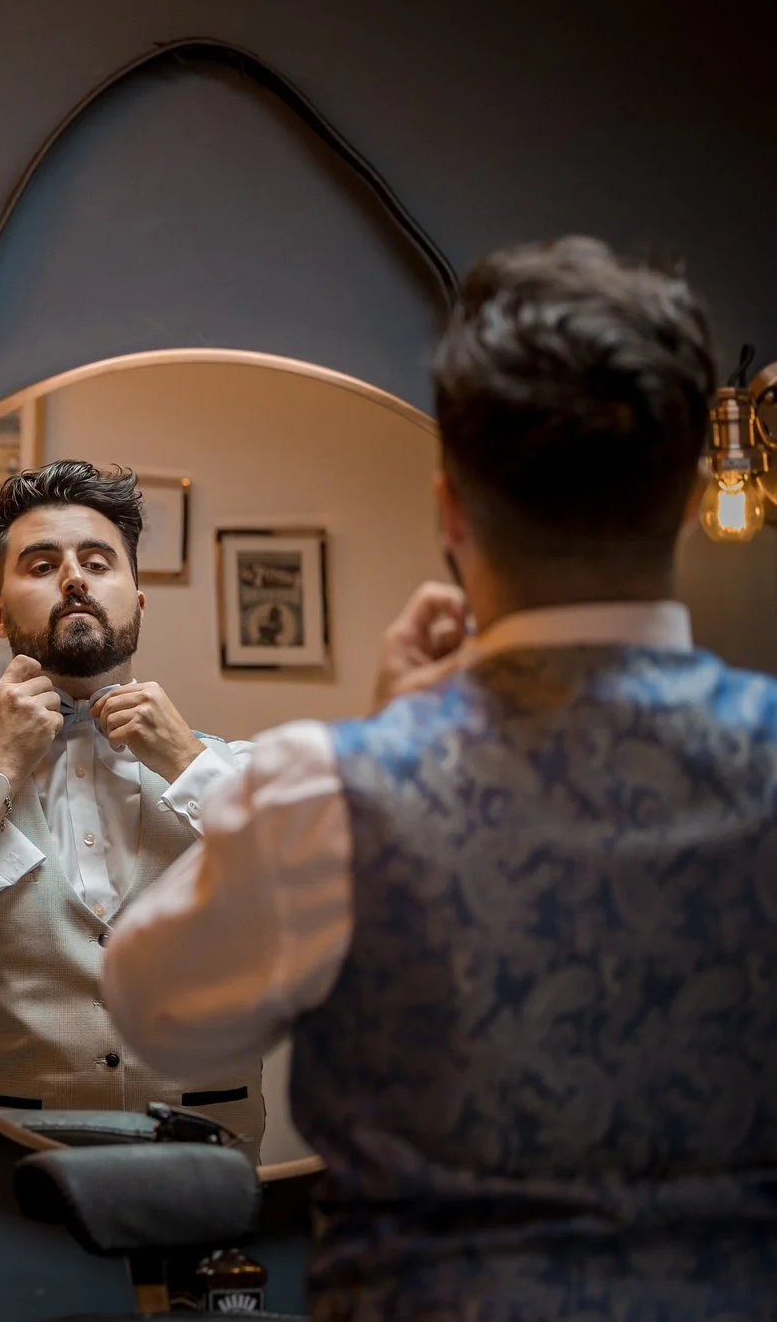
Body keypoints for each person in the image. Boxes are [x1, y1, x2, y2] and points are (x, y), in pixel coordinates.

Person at [103, 237, 777, 1315]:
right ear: (696, 493)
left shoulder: (323, 787)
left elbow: (157, 1014)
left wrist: (384, 738)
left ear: (448, 511)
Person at [0, 461, 267, 1148]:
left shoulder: (245, 773)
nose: (73, 578)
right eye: (41, 564)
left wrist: (189, 766)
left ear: (137, 599)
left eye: (97, 561)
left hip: (203, 1174)